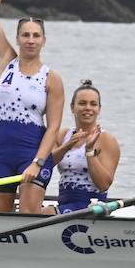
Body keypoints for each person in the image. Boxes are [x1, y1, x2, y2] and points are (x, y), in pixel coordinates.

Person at [0, 0, 64, 213]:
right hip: (0, 151)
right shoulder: (6, 60)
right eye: (25, 35)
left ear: (44, 41)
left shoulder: (52, 78)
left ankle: (53, 213)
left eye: (35, 35)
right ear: (17, 38)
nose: (30, 40)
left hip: (32, 151)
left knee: (28, 215)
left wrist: (38, 162)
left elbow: (53, 129)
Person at [38, 80, 121, 214]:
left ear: (99, 109)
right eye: (82, 103)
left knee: (43, 213)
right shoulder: (63, 135)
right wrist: (67, 146)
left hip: (92, 206)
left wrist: (89, 151)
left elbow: (104, 184)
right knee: (31, 210)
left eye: (93, 104)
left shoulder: (106, 139)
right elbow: (45, 166)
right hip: (65, 202)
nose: (88, 108)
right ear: (72, 107)